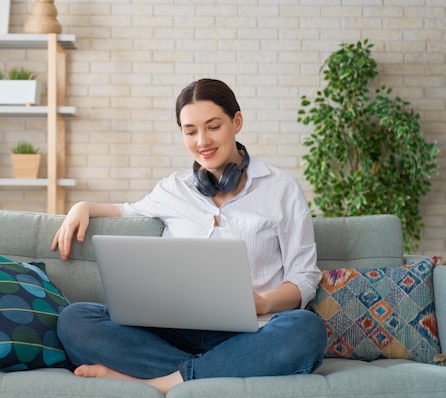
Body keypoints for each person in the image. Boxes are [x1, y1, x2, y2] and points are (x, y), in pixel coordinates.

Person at [51, 78, 327, 394]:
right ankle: (218, 368)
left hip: (251, 332)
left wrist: (263, 303)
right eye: (190, 131)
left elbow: (303, 276)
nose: (202, 141)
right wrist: (82, 206)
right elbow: (128, 211)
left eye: (213, 127)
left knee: (306, 330)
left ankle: (162, 381)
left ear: (236, 122)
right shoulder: (173, 188)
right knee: (75, 319)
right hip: (172, 331)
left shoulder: (281, 188)